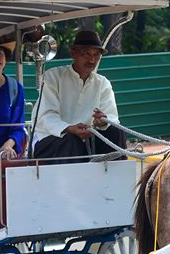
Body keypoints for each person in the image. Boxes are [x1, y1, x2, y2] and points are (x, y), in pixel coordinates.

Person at [32, 29, 127, 163]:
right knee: (72, 139)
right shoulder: (53, 76)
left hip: (89, 141)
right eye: (86, 54)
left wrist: (103, 121)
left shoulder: (103, 83)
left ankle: (117, 179)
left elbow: (112, 117)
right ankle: (75, 183)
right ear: (73, 53)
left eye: (96, 55)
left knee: (116, 132)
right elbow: (47, 116)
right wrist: (70, 129)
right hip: (50, 140)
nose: (92, 60)